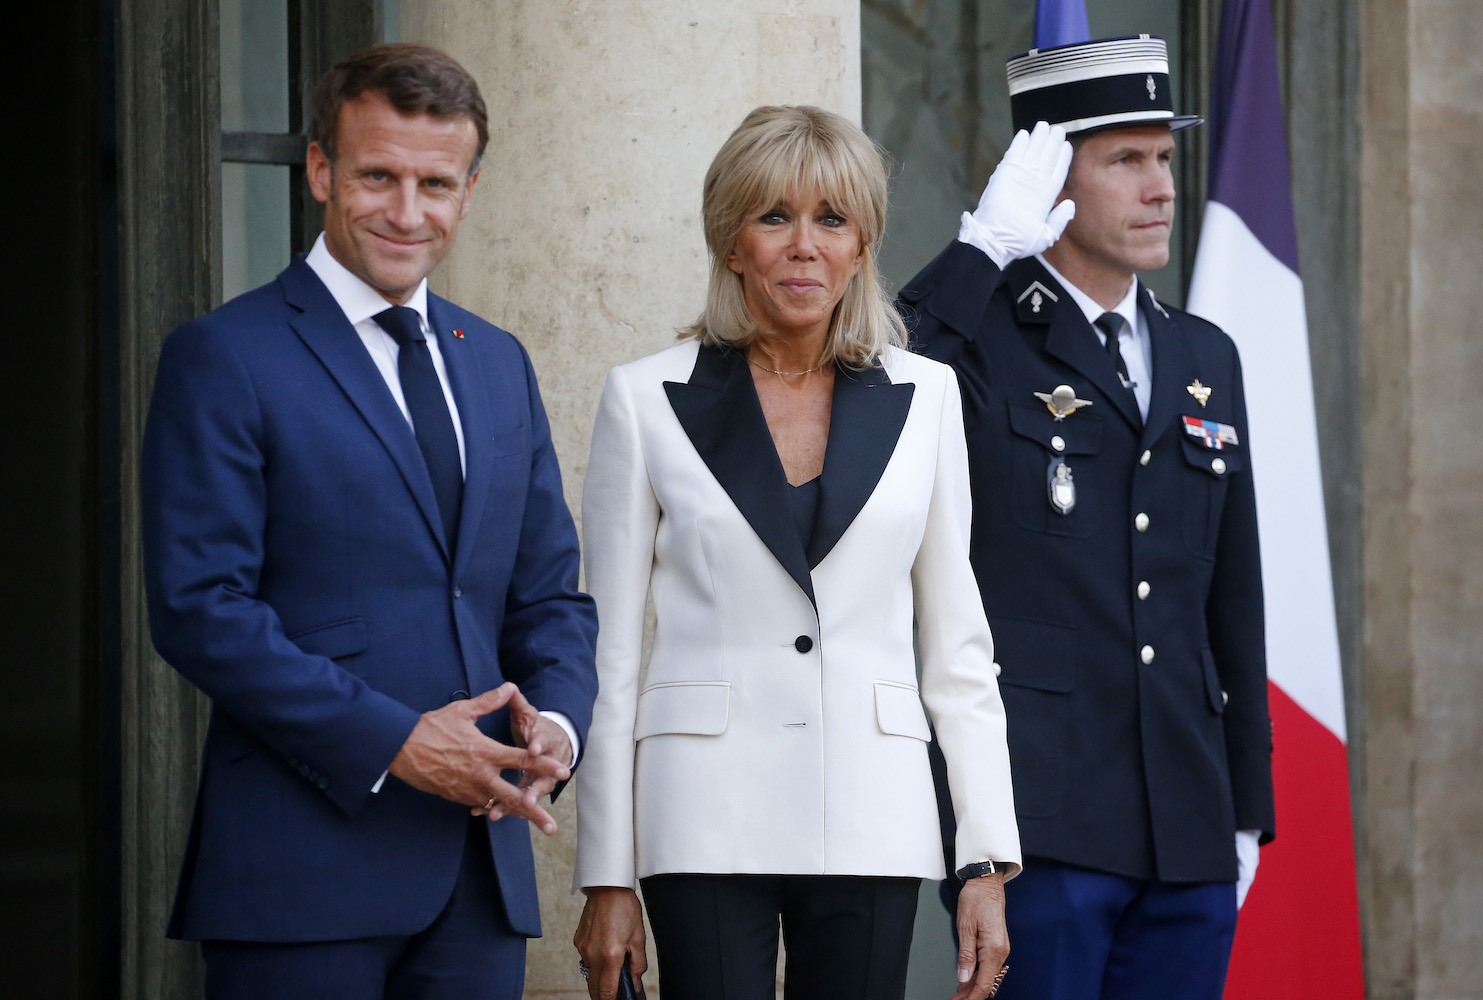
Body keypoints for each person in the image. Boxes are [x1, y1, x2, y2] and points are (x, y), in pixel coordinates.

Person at [570, 105, 1071, 1000]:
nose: (805, 246)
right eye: (775, 217)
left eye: (832, 219)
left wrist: (986, 860)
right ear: (732, 243)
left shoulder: (928, 397)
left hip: (875, 814)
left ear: (862, 243)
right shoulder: (644, 399)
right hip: (699, 817)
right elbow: (605, 658)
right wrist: (605, 874)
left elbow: (958, 650)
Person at [140, 43, 598, 999]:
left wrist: (556, 725)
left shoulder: (498, 361)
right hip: (299, 877)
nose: (407, 212)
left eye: (436, 184)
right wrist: (395, 740)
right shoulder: (223, 355)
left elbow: (547, 593)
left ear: (469, 191)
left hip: (478, 884)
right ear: (320, 170)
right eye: (378, 176)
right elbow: (200, 608)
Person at [901, 35, 1276, 1000]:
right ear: (1050, 179)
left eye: (1166, 157)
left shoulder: (1206, 354)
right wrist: (978, 252)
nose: (1162, 188)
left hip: (1187, 819)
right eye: (1126, 159)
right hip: (1041, 818)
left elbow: (1233, 597)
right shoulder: (979, 339)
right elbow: (871, 397)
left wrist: (1247, 808)